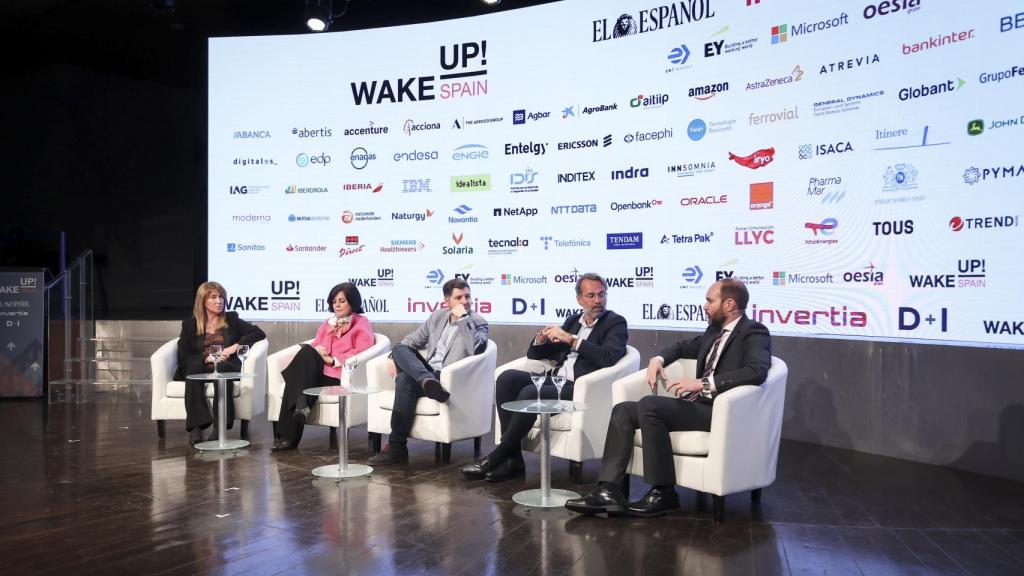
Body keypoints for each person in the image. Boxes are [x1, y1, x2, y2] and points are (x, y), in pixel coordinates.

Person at [566, 278, 771, 517]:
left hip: (723, 410)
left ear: (730, 304)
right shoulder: (714, 331)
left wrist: (702, 383)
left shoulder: (753, 332)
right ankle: (609, 491)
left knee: (650, 405)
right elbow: (682, 347)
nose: (704, 305)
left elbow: (756, 371)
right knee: (623, 410)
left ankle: (664, 492)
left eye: (709, 300)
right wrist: (658, 359)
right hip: (698, 406)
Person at [461, 273, 627, 482]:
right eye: (591, 295)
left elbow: (608, 358)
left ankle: (499, 455)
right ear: (579, 299)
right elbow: (536, 355)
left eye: (601, 295)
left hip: (580, 387)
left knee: (530, 393)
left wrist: (572, 340)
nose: (597, 300)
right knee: (506, 378)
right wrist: (540, 339)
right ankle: (513, 458)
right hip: (556, 380)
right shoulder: (573, 321)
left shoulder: (615, 323)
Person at [367, 278, 489, 465]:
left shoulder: (477, 322)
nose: (465, 301)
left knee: (404, 380)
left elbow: (477, 349)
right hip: (429, 373)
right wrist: (394, 357)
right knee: (399, 348)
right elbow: (412, 341)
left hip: (448, 377)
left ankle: (396, 446)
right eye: (459, 298)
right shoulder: (437, 317)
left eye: (468, 296)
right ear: (447, 301)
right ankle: (426, 381)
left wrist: (464, 319)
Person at [272, 282, 374, 452]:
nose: (337, 305)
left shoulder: (361, 323)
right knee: (307, 351)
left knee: (296, 378)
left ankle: (287, 436)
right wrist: (318, 350)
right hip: (318, 372)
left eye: (342, 301)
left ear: (352, 302)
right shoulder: (328, 323)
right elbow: (317, 344)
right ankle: (300, 407)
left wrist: (333, 360)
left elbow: (363, 350)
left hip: (339, 375)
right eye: (334, 301)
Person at [175, 281, 266, 445]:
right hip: (200, 365)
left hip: (225, 363)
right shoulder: (190, 324)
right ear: (203, 301)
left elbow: (258, 333)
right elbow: (183, 353)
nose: (219, 301)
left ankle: (220, 427)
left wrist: (234, 347)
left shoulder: (231, 319)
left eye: (221, 297)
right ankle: (196, 427)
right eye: (214, 297)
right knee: (193, 367)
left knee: (223, 368)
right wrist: (206, 358)